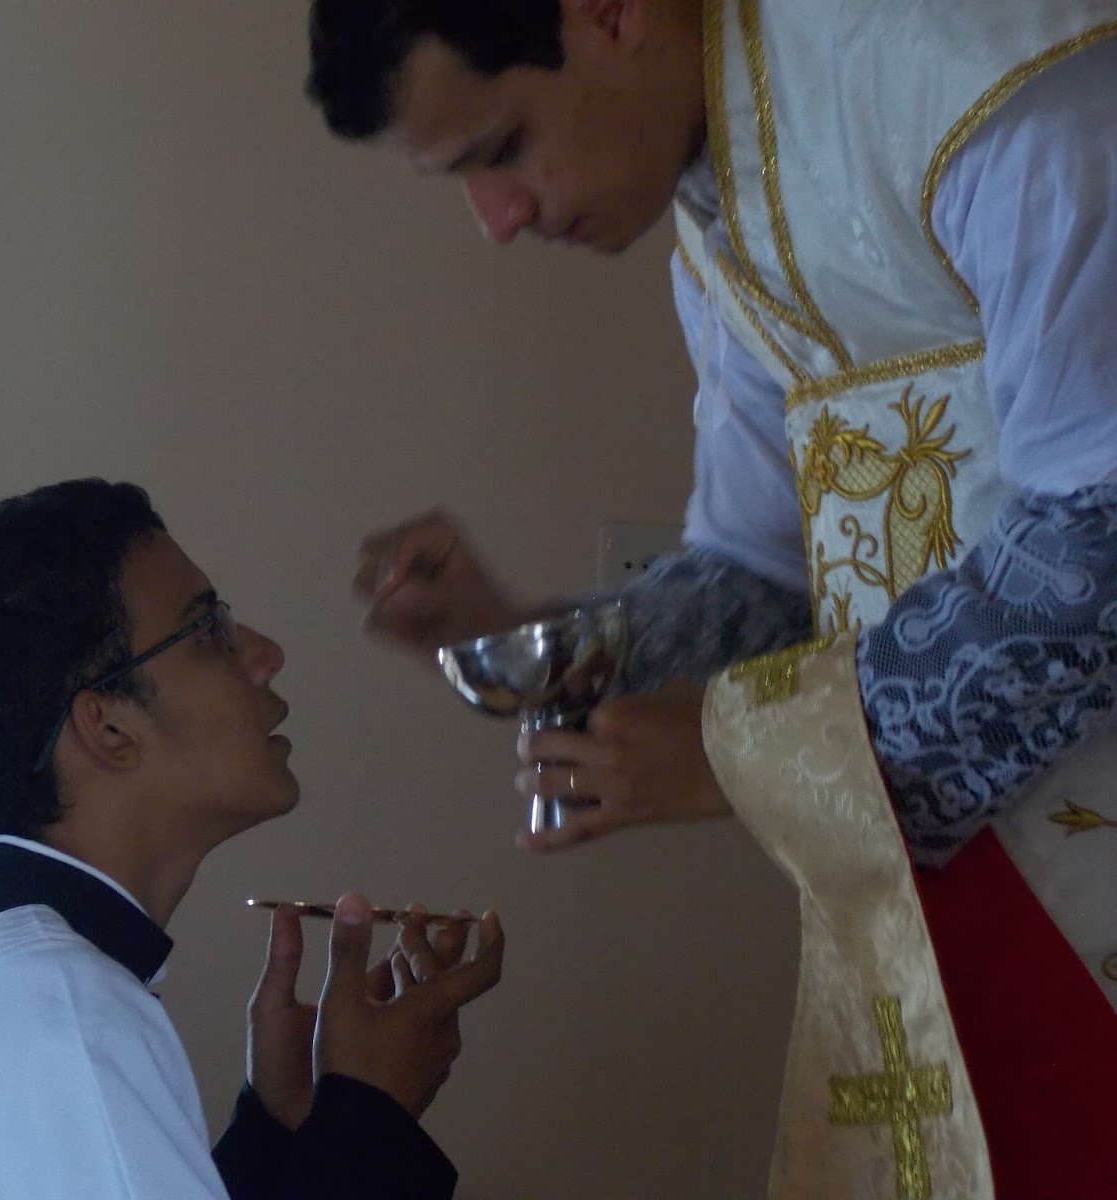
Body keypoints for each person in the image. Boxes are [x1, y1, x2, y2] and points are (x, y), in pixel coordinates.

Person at [305, 0, 1117, 1195]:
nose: (496, 219)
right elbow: (767, 576)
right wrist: (542, 646)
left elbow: (1102, 538)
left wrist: (752, 753)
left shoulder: (985, 76)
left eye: (502, 149)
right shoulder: (717, 194)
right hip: (949, 914)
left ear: (609, 13)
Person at [0, 478, 504, 1200]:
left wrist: (278, 1127)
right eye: (208, 631)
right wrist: (369, 1118)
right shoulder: (52, 1011)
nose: (267, 653)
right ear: (106, 726)